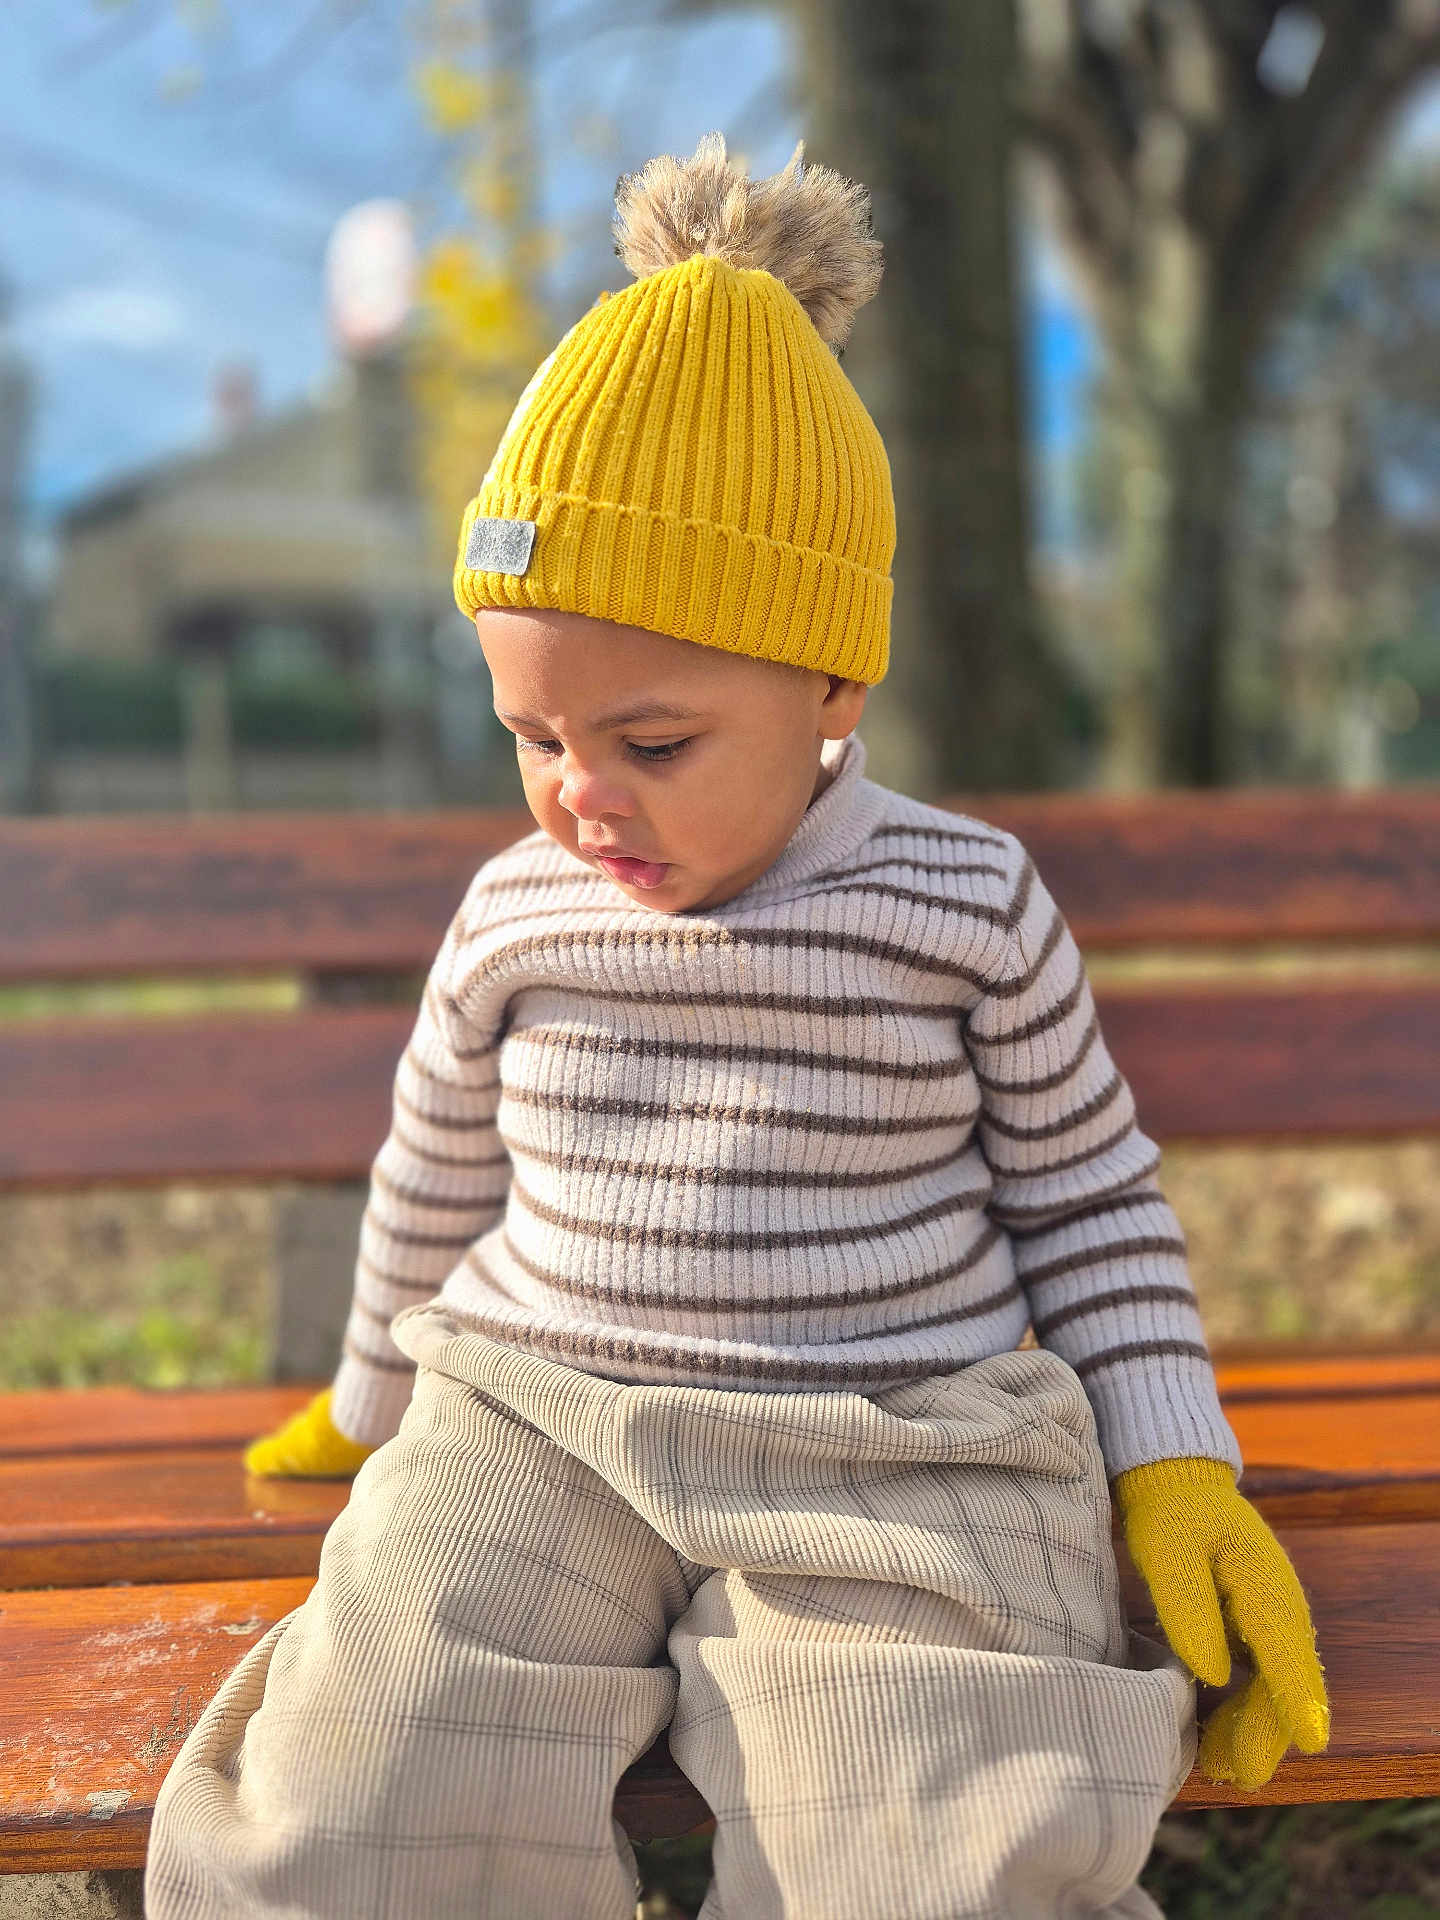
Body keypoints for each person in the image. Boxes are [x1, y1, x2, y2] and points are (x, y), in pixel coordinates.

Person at [144, 132, 1328, 1920]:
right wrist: (375, 1391)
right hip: (537, 1417)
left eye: (652, 741)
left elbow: (1091, 1204)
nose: (577, 797)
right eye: (531, 736)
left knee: (936, 1825)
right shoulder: (515, 913)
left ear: (834, 679)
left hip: (902, 1436)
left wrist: (1172, 1464)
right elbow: (441, 1162)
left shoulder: (965, 905)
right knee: (360, 1788)